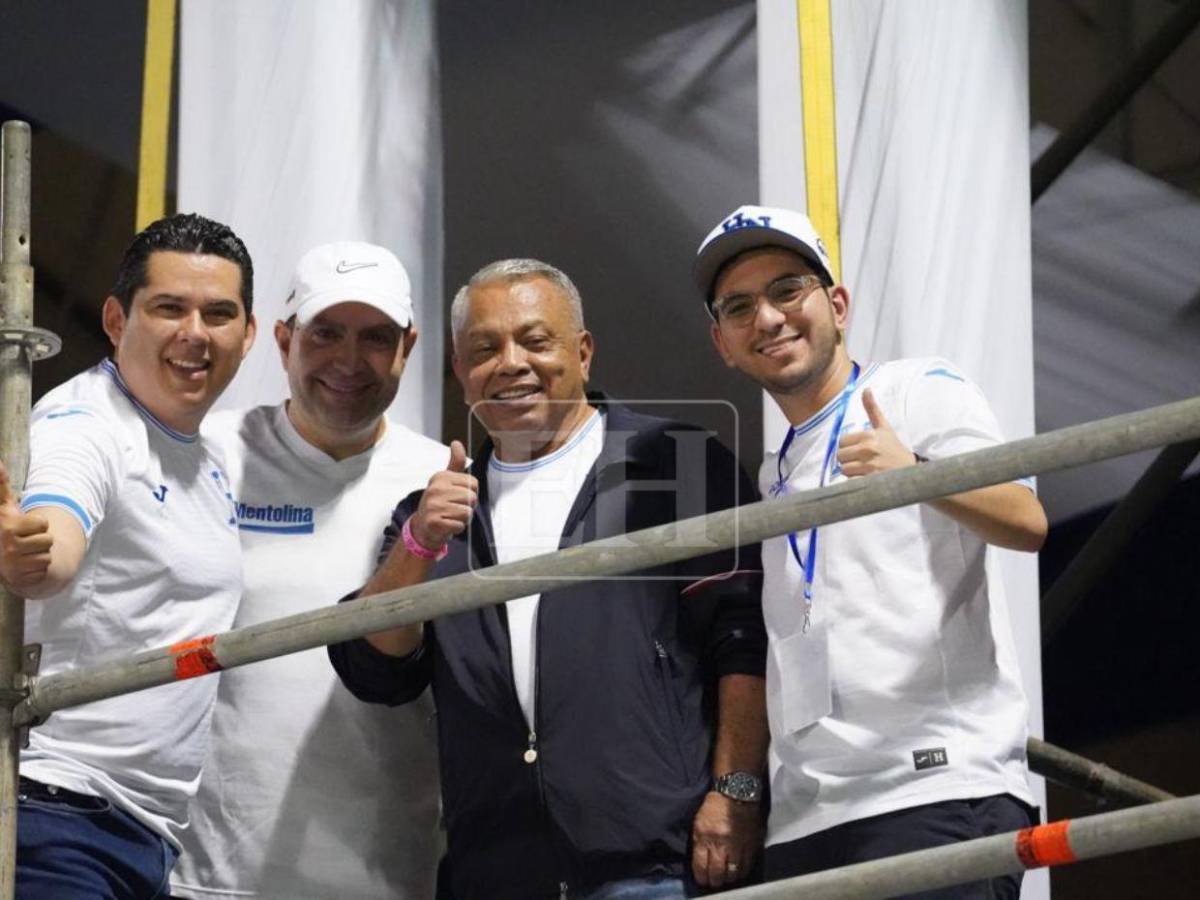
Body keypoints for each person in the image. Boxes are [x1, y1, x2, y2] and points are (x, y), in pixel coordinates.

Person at [330, 258, 769, 900]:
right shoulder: (432, 516)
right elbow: (376, 671)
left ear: (583, 352)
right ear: (460, 371)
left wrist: (736, 794)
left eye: (535, 341)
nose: (510, 363)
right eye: (484, 348)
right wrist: (420, 543)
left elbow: (745, 635)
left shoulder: (677, 463)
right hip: (496, 875)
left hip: (656, 867)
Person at [694, 205, 1048, 898]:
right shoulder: (773, 473)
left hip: (935, 790)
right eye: (740, 307)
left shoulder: (918, 391)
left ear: (838, 303)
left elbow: (1027, 522)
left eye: (787, 290)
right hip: (807, 821)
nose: (767, 318)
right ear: (723, 344)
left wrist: (915, 473)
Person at [169, 242, 450, 899]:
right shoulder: (204, 457)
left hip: (390, 876)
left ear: (408, 346)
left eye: (376, 337)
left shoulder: (445, 481)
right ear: (282, 339)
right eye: (326, 333)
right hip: (210, 879)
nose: (349, 361)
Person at [0, 213, 257, 899]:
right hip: (56, 816)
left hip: (135, 835)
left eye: (218, 313)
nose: (194, 334)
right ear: (116, 320)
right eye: (169, 308)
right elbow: (52, 544)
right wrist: (31, 555)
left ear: (250, 334)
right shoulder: (86, 426)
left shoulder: (205, 451)